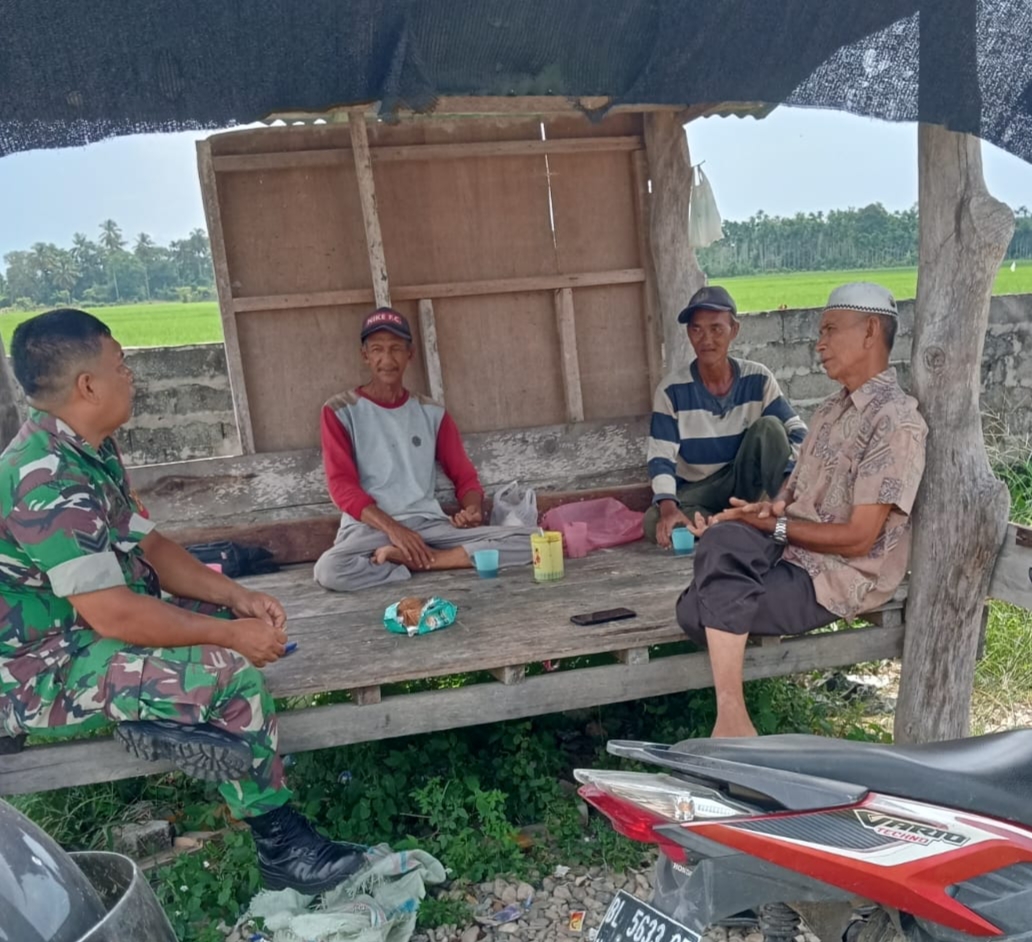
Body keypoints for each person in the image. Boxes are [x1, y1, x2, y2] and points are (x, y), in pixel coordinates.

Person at [0, 309, 361, 894]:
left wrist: (237, 598)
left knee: (224, 628)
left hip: (88, 633)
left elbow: (153, 546)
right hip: (40, 669)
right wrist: (229, 636)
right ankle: (282, 846)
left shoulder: (88, 450)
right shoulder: (43, 478)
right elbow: (115, 614)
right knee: (228, 672)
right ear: (87, 385)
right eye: (120, 364)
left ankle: (160, 711)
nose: (130, 375)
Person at [676, 283, 928, 738]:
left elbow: (858, 539)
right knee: (720, 538)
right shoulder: (831, 410)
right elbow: (791, 497)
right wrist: (763, 512)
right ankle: (734, 718)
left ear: (870, 331)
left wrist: (775, 527)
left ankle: (731, 719)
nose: (819, 344)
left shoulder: (896, 423)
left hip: (833, 575)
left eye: (830, 330)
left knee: (695, 609)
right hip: (790, 549)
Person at [313, 307, 534, 592]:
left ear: (410, 354)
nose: (387, 359)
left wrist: (472, 509)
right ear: (364, 355)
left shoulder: (432, 413)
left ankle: (423, 561)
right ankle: (418, 557)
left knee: (532, 540)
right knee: (330, 570)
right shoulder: (340, 411)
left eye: (396, 349)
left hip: (429, 527)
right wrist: (395, 530)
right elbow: (342, 487)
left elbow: (465, 476)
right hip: (370, 530)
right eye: (377, 349)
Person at [645, 285, 807, 548]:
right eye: (696, 329)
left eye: (716, 329)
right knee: (654, 521)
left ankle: (763, 517)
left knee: (770, 427)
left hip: (747, 484)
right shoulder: (671, 390)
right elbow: (660, 457)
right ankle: (742, 524)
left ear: (734, 330)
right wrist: (668, 509)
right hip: (700, 490)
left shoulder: (758, 379)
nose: (706, 339)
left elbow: (800, 434)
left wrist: (782, 494)